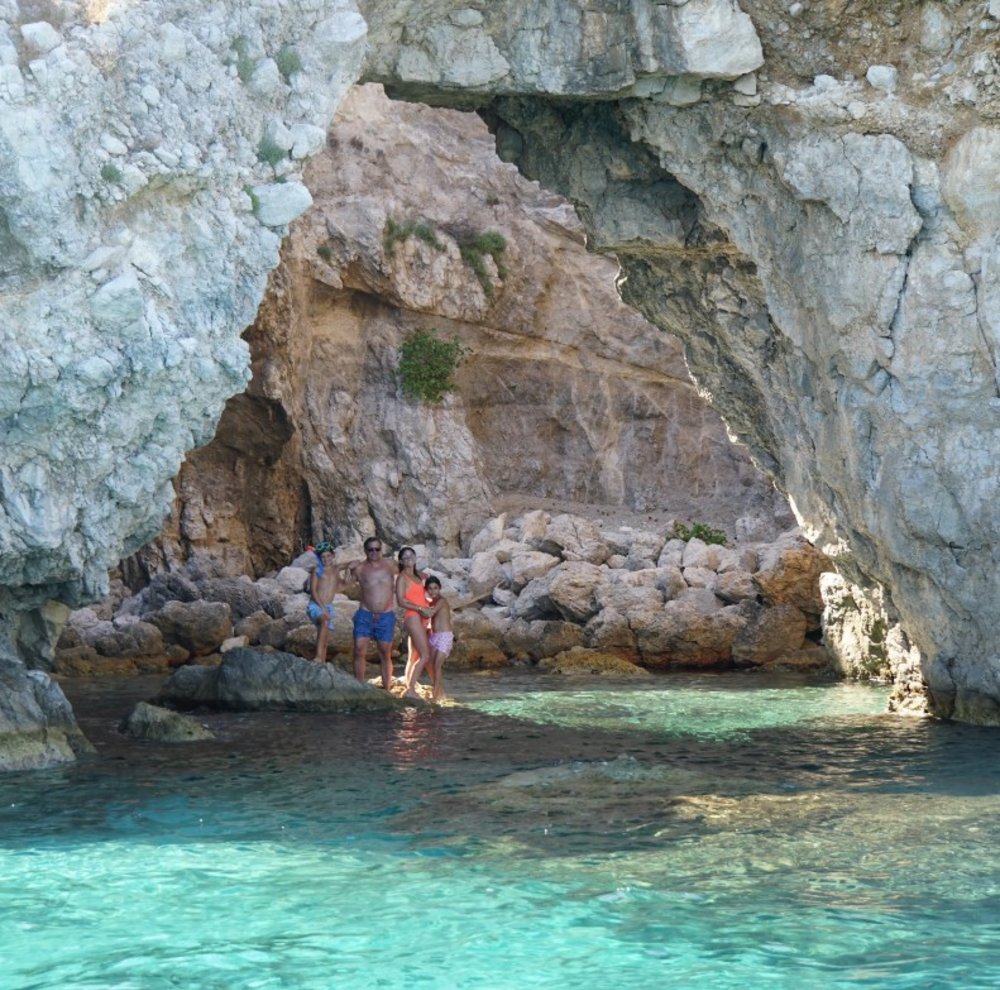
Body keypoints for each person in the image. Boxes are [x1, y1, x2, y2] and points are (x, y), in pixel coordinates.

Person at [345, 537, 397, 689]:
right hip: (365, 614)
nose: (374, 552)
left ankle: (387, 689)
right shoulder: (360, 568)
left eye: (377, 549)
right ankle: (359, 687)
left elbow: (410, 574)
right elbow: (344, 584)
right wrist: (348, 568)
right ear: (365, 551)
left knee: (385, 653)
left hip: (386, 615)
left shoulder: (391, 565)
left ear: (382, 550)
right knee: (359, 650)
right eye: (370, 549)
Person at [395, 546, 434, 699]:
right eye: (405, 557)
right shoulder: (402, 578)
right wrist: (420, 608)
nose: (408, 559)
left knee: (413, 656)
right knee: (425, 655)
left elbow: (428, 594)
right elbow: (400, 601)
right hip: (413, 616)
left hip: (424, 617)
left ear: (416, 558)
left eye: (411, 556)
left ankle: (409, 684)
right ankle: (410, 690)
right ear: (401, 561)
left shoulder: (421, 576)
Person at [416, 575, 453, 703]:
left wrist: (414, 608)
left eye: (435, 588)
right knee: (428, 663)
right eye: (430, 589)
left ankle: (435, 695)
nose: (433, 591)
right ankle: (439, 690)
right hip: (434, 636)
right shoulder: (431, 602)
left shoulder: (442, 601)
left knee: (437, 666)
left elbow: (430, 613)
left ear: (440, 588)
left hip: (445, 636)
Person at [307, 541, 345, 664]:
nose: (326, 559)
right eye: (323, 557)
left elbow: (351, 565)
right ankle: (318, 657)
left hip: (329, 606)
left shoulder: (335, 569)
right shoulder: (317, 570)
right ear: (319, 558)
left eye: (328, 556)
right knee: (324, 621)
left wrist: (350, 572)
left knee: (325, 638)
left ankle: (322, 662)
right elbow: (313, 591)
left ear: (333, 556)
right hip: (316, 605)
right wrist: (322, 608)